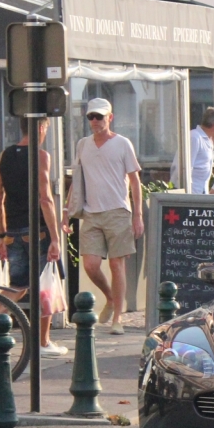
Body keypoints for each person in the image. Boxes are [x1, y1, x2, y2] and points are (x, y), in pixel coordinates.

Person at [68, 98, 144, 335]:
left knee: (116, 264)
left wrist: (137, 215)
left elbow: (134, 180)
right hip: (91, 212)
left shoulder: (122, 144)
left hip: (118, 211)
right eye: (91, 116)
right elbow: (77, 180)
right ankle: (110, 298)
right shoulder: (83, 145)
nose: (94, 121)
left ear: (110, 118)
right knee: (90, 265)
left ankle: (118, 318)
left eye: (99, 116)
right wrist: (66, 212)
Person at [0, 118, 66, 356]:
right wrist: (55, 238)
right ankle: (42, 342)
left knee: (17, 285)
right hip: (37, 231)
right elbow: (45, 198)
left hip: (12, 233)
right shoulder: (41, 156)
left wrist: (2, 235)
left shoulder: (4, 156)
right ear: (41, 128)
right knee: (44, 285)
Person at [173, 107, 214, 194]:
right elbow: (184, 167)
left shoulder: (207, 139)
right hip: (192, 192)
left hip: (201, 190)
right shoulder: (194, 137)